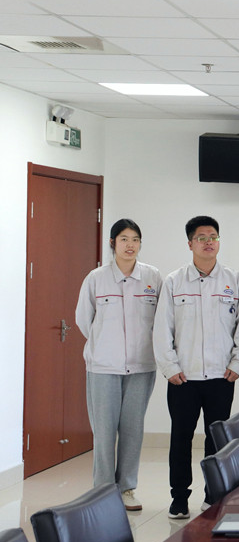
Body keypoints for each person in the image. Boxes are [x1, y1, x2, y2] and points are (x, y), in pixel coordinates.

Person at [154, 216, 239, 519]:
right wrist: (169, 367)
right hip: (183, 377)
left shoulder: (233, 279)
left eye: (213, 237)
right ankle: (179, 498)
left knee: (217, 439)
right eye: (201, 237)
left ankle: (213, 495)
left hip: (221, 377)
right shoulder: (174, 281)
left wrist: (238, 363)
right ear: (190, 244)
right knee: (180, 438)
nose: (209, 242)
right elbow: (162, 328)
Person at [74, 218, 161, 512]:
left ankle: (126, 489)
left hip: (141, 366)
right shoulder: (96, 278)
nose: (130, 245)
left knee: (132, 430)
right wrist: (105, 344)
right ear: (112, 243)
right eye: (124, 239)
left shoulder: (152, 277)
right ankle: (102, 492)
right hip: (103, 367)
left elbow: (161, 320)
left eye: (135, 239)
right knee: (104, 432)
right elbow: (83, 320)